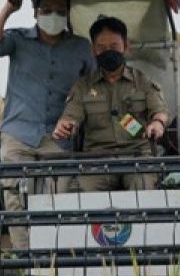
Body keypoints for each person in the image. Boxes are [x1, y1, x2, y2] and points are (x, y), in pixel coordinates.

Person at [0, 0, 95, 246]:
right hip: (18, 134)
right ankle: (26, 260)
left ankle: (53, 261)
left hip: (58, 137)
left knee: (59, 200)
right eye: (46, 10)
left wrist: (74, 119)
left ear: (67, 15)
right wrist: (9, 7)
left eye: (59, 11)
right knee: (16, 199)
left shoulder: (80, 47)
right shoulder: (18, 39)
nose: (52, 16)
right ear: (35, 13)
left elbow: (91, 88)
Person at [53, 16, 169, 191]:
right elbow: (70, 115)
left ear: (126, 46)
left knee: (144, 188)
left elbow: (159, 111)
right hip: (96, 160)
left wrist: (157, 124)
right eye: (102, 47)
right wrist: (64, 125)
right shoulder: (83, 86)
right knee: (81, 191)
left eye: (114, 46)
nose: (108, 51)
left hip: (137, 156)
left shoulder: (143, 81)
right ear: (93, 50)